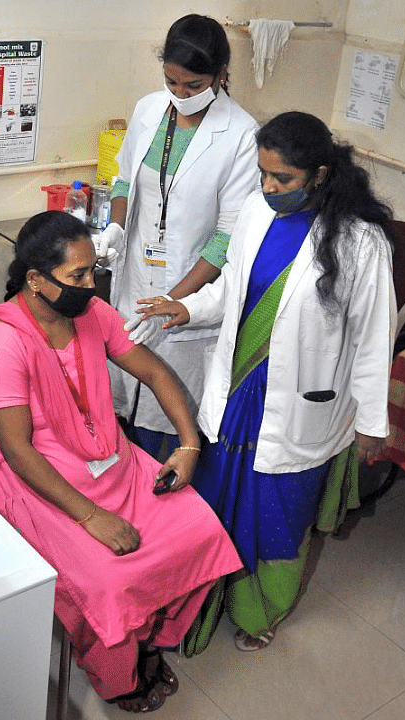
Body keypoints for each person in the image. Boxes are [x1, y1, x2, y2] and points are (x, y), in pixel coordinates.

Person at [0, 211, 241, 712]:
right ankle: (115, 675)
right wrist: (90, 516)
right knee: (112, 580)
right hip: (40, 481)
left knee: (200, 531)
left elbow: (154, 372)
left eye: (92, 270)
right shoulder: (0, 344)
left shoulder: (90, 314)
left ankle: (148, 635)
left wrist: (188, 445)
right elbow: (17, 451)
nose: (91, 283)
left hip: (109, 461)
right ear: (35, 280)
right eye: (77, 276)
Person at [133, 111, 397, 654]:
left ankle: (260, 612)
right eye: (264, 175)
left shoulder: (359, 243)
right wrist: (186, 308)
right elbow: (233, 288)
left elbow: (374, 338)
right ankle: (197, 606)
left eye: (284, 180)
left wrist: (372, 421)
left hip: (301, 403)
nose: (269, 188)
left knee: (278, 514)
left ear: (320, 174)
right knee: (213, 502)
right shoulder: (255, 212)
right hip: (235, 395)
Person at [93, 13, 260, 459]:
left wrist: (174, 302)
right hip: (134, 281)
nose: (181, 95)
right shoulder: (149, 109)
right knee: (118, 413)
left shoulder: (242, 135)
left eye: (194, 86)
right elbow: (126, 181)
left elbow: (226, 239)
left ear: (222, 74)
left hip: (188, 295)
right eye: (172, 82)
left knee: (167, 425)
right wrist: (116, 225)